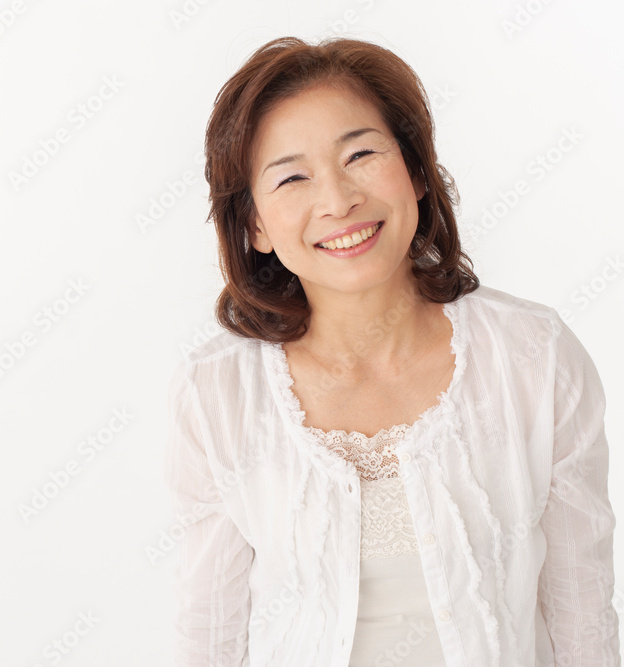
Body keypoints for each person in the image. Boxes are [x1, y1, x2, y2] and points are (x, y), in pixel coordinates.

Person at [164, 36, 620, 666]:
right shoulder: (217, 393)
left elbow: (583, 613)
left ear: (416, 172)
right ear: (255, 226)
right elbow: (207, 634)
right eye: (292, 177)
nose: (338, 200)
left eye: (360, 154)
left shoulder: (533, 357)